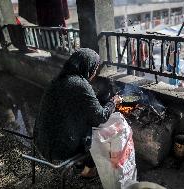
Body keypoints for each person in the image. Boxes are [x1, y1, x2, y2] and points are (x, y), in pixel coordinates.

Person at [33, 48, 122, 178]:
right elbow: (100, 116)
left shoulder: (59, 79)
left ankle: (80, 162)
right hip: (59, 150)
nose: (95, 73)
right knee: (102, 130)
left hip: (40, 140)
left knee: (81, 122)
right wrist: (113, 102)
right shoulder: (80, 85)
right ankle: (88, 170)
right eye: (95, 68)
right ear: (88, 67)